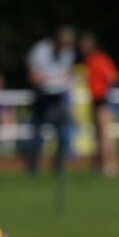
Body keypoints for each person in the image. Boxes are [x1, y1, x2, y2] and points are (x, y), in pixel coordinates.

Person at [25, 26, 75, 175]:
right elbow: (33, 76)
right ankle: (33, 168)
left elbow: (67, 75)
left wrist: (58, 81)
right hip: (42, 96)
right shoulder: (40, 50)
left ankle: (58, 167)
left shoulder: (68, 53)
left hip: (59, 96)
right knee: (37, 133)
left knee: (64, 131)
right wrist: (47, 80)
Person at [79, 32, 119, 177]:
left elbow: (113, 77)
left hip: (102, 99)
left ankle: (109, 165)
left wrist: (104, 90)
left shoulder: (100, 59)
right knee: (99, 134)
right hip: (96, 100)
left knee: (104, 134)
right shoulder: (89, 60)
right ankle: (98, 164)